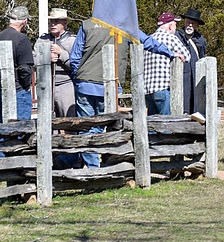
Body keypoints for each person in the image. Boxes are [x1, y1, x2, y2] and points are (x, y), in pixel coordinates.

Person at [69, 18, 174, 168]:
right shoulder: (125, 26)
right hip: (109, 85)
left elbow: (75, 57)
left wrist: (78, 79)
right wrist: (170, 52)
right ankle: (100, 167)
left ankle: (93, 168)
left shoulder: (87, 25)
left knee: (86, 127)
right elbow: (148, 42)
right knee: (103, 126)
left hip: (85, 83)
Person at [0, 6, 34, 124]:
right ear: (24, 22)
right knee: (21, 129)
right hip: (16, 89)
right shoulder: (22, 39)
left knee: (1, 126)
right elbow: (25, 69)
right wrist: (26, 86)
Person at [143, 12, 189, 115]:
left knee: (152, 124)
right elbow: (187, 56)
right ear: (170, 26)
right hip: (162, 87)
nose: (175, 28)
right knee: (165, 125)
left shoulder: (148, 40)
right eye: (175, 25)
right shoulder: (171, 38)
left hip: (147, 89)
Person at [38, 8, 76, 118]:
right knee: (46, 120)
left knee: (70, 120)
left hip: (66, 84)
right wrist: (45, 58)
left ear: (64, 23)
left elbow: (77, 64)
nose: (53, 24)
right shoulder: (42, 40)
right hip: (46, 85)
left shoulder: (73, 41)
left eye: (56, 21)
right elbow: (34, 61)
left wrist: (62, 54)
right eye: (51, 22)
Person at [177, 8, 208, 113]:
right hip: (180, 75)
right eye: (188, 22)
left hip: (195, 76)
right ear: (184, 22)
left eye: (193, 23)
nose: (190, 25)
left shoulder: (201, 40)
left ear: (197, 25)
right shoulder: (176, 37)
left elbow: (202, 58)